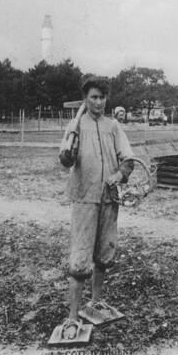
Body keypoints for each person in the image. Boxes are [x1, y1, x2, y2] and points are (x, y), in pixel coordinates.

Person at [55, 76, 135, 341]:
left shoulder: (114, 127)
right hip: (85, 198)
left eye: (102, 97)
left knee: (104, 253)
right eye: (93, 97)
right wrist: (67, 152)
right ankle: (72, 318)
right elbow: (65, 162)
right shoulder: (75, 125)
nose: (98, 102)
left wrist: (120, 175)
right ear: (85, 99)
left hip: (109, 199)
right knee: (80, 260)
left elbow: (128, 160)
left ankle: (96, 302)